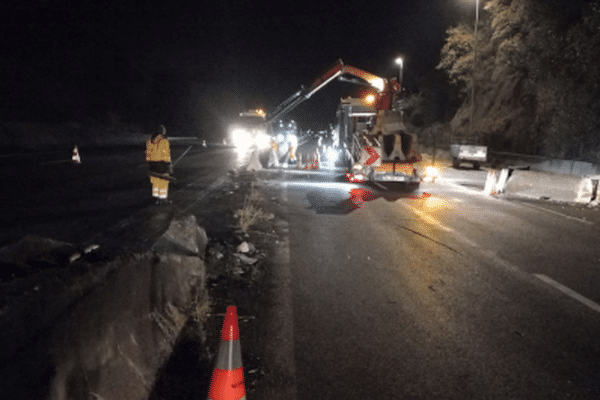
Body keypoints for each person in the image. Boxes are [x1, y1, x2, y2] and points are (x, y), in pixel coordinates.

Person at [145, 124, 172, 204]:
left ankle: (155, 199)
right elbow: (166, 154)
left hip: (153, 165)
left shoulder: (150, 140)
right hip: (162, 164)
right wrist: (168, 165)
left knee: (155, 183)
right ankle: (163, 199)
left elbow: (148, 153)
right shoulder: (164, 140)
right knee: (163, 182)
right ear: (163, 132)